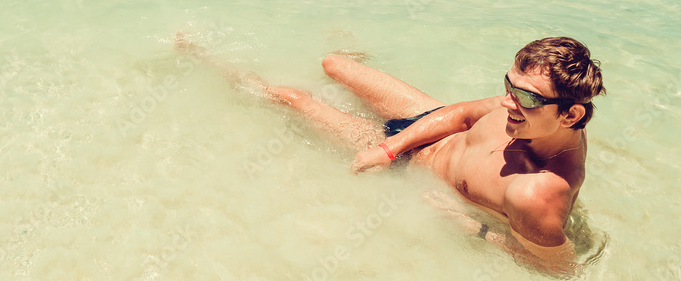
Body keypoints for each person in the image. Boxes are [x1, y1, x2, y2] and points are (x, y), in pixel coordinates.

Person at [177, 35, 605, 273]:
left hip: (411, 165)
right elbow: (459, 114)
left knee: (293, 98)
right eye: (509, 86)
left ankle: (204, 61)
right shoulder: (531, 108)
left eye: (525, 97)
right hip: (422, 125)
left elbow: (560, 269)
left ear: (572, 114)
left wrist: (473, 231)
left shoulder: (537, 195)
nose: (508, 102)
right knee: (334, 63)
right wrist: (390, 145)